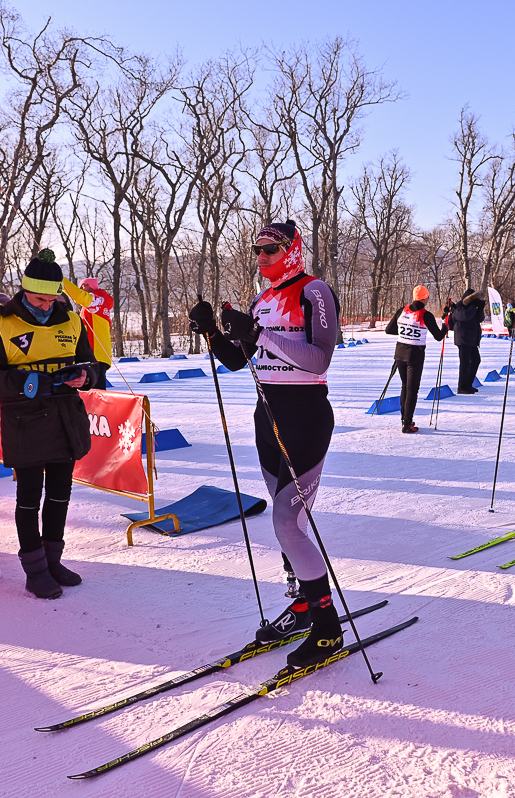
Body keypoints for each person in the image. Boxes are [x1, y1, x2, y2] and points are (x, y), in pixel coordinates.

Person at [188, 220, 344, 669]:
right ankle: (303, 605)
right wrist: (212, 332)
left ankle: (327, 629)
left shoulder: (314, 291)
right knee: (286, 519)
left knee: (286, 522)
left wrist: (257, 334)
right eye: (257, 250)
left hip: (305, 417)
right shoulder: (262, 300)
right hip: (268, 417)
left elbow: (319, 359)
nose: (261, 258)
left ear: (291, 250)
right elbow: (239, 361)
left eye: (270, 250)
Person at [0, 250, 105, 599]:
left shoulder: (71, 321)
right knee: (29, 498)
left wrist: (85, 376)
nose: (46, 305)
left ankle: (53, 561)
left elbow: (93, 366)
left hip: (66, 420)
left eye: (52, 299)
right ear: (25, 291)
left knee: (60, 495)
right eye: (39, 299)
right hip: (25, 423)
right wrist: (22, 381)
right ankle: (35, 570)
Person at [385, 285, 447, 433]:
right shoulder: (426, 315)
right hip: (415, 355)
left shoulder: (402, 310)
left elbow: (389, 330)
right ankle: (407, 424)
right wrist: (446, 325)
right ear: (425, 298)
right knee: (412, 390)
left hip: (400, 353)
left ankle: (404, 420)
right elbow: (439, 336)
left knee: (405, 387)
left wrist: (405, 332)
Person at [62, 276, 115, 371]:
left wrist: (60, 279)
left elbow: (79, 296)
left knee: (96, 381)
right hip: (95, 355)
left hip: (95, 355)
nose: (80, 289)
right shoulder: (97, 305)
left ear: (90, 286)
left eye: (82, 286)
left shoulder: (98, 301)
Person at [449, 288, 485, 393]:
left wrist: (480, 309)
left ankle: (468, 384)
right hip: (463, 339)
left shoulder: (471, 308)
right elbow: (466, 316)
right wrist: (473, 306)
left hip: (472, 339)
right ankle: (462, 387)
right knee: (465, 364)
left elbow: (480, 319)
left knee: (476, 360)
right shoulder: (458, 308)